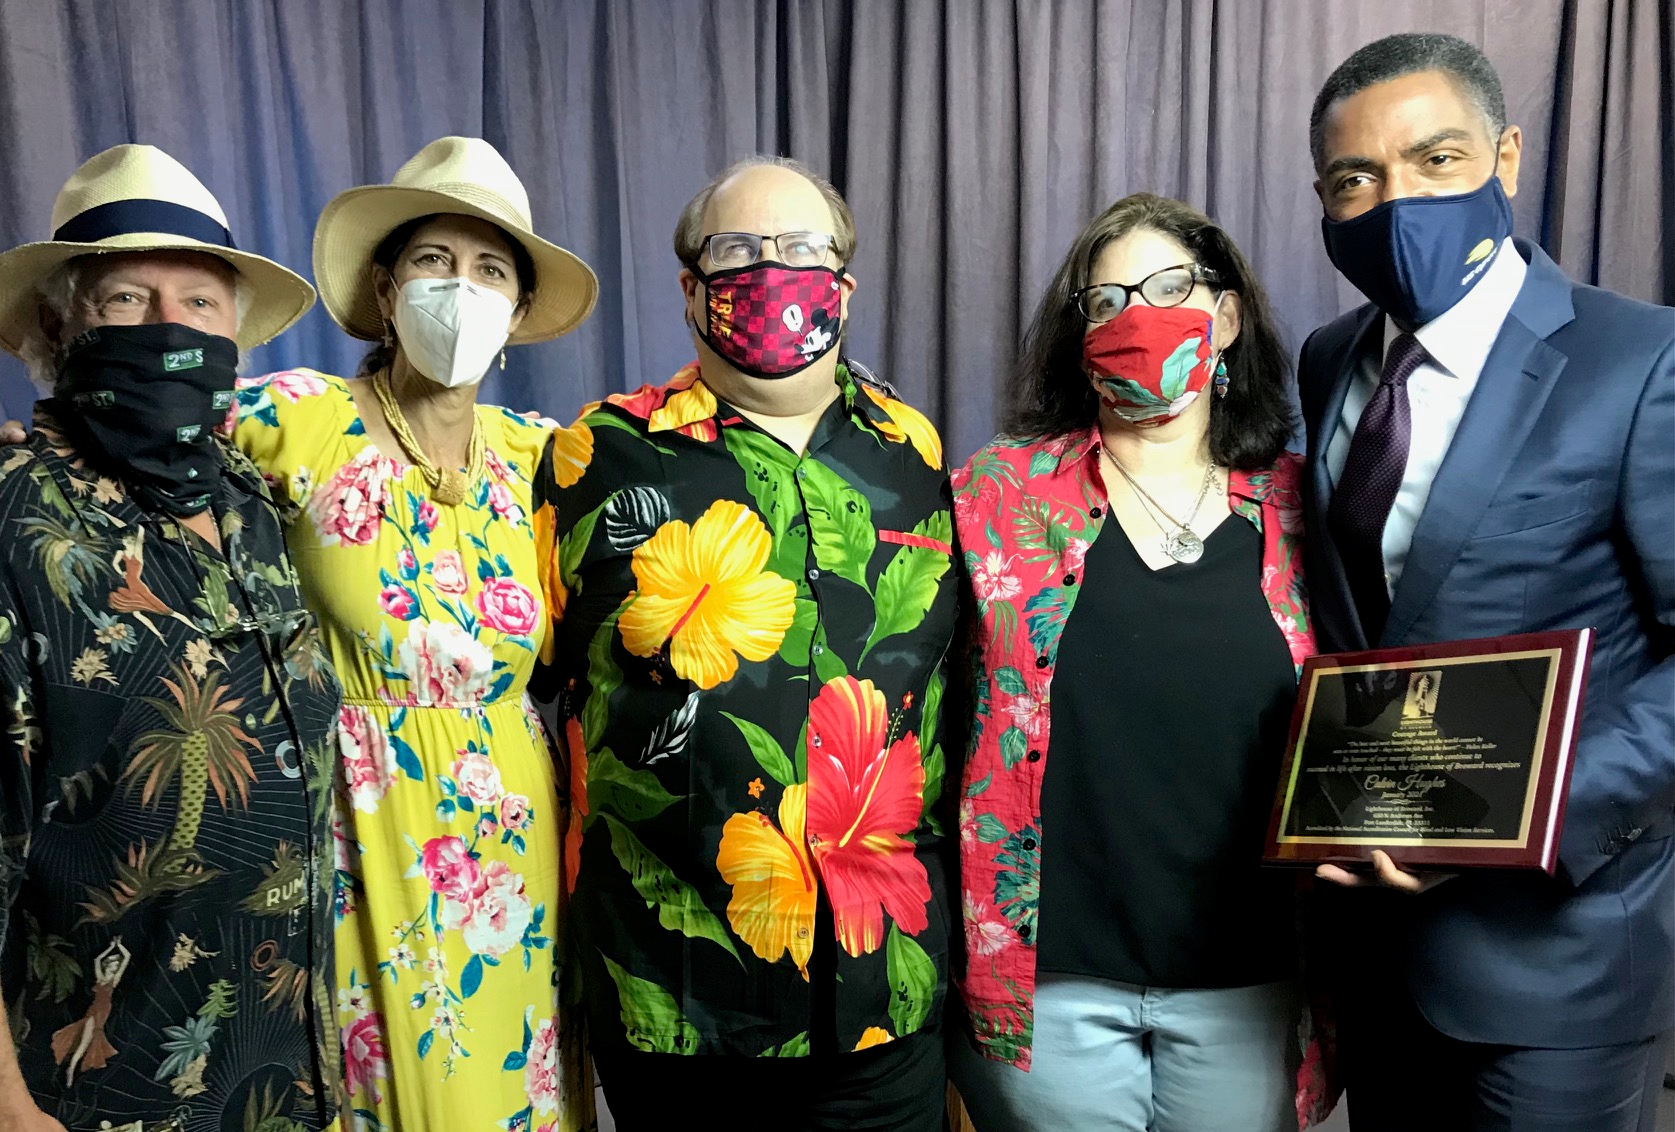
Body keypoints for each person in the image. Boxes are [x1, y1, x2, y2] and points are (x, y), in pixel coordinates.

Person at [531, 155, 957, 1131]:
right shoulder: (591, 457)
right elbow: (533, 687)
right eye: (737, 250)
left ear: (844, 285)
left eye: (802, 249)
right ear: (690, 287)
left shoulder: (916, 455)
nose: (771, 270)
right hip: (673, 1005)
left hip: (878, 1001)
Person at [1300, 32, 1675, 1131]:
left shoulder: (1642, 359)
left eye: (1435, 160)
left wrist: (1516, 816)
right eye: (1353, 180)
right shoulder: (1327, 360)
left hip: (1556, 958)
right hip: (1375, 953)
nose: (1394, 201)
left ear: (1506, 158)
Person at [230, 137, 599, 1131]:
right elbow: (146, 443)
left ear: (518, 316)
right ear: (387, 291)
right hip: (356, 823)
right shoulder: (298, 418)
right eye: (434, 262)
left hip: (514, 834)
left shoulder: (545, 456)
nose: (460, 288)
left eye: (490, 271)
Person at [947, 192, 1334, 1131]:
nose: (1137, 318)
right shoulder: (994, 492)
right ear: (1076, 331)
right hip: (1048, 981)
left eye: (1169, 287)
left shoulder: (1304, 504)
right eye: (1106, 299)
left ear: (1228, 314)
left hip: (1248, 977)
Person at [0, 144, 343, 1131]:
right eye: (126, 300)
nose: (168, 329)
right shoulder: (18, 522)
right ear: (59, 324)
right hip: (97, 1093)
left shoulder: (248, 502)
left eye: (199, 303)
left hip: (280, 1073)